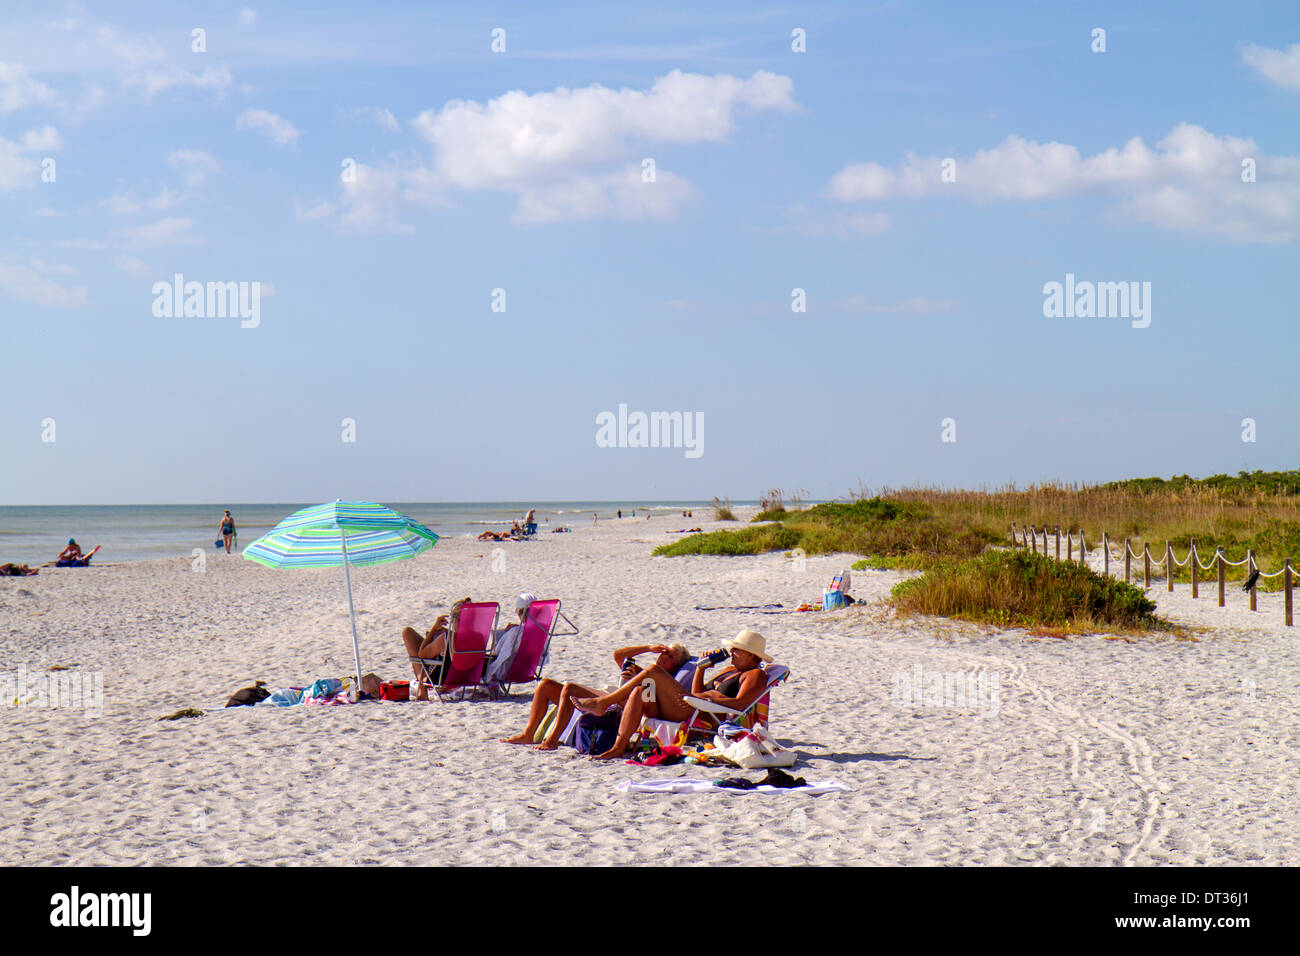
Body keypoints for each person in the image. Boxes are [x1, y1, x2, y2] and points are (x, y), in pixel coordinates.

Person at [571, 629, 773, 760]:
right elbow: (696, 692)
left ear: (751, 655)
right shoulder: (727, 670)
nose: (732, 653)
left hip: (704, 715)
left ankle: (603, 702)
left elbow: (739, 704)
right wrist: (702, 669)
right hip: (692, 706)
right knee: (642, 691)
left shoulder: (755, 674)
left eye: (737, 650)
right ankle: (618, 747)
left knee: (652, 671)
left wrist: (709, 700)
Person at [501, 642, 692, 750]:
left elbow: (653, 704)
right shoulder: (645, 671)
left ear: (676, 665)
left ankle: (551, 741)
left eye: (670, 655)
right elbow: (618, 655)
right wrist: (648, 648)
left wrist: (639, 681)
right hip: (612, 697)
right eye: (665, 651)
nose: (664, 654)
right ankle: (528, 734)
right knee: (548, 685)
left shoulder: (669, 683)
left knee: (570, 689)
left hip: (623, 707)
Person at [400, 597, 471, 701]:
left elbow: (421, 654)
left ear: (455, 620)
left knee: (407, 632)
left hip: (441, 678)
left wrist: (433, 630)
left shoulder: (447, 637)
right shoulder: (478, 637)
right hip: (466, 676)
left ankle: (422, 691)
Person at [483, 592, 541, 691]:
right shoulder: (540, 631)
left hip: (507, 671)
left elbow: (498, 654)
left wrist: (508, 633)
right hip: (528, 671)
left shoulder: (515, 632)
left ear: (521, 613)